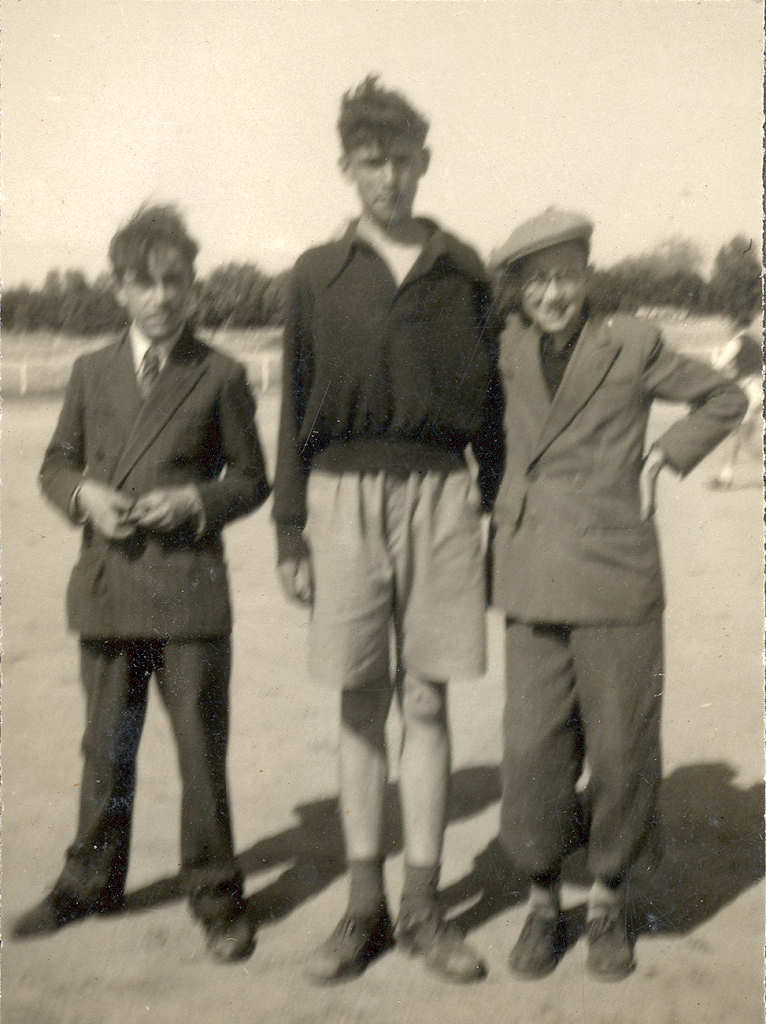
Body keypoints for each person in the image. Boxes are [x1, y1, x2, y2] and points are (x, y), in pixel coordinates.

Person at [273, 76, 502, 984]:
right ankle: (363, 908)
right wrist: (289, 529)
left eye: (404, 160)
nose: (390, 178)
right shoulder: (315, 273)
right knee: (360, 701)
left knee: (429, 702)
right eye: (373, 162)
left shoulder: (464, 268)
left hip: (442, 494)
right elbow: (292, 404)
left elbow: (492, 408)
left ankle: (423, 907)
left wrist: (498, 505)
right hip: (341, 497)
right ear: (347, 168)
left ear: (425, 161)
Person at [487, 208, 746, 981]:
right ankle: (542, 901)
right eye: (538, 281)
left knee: (621, 744)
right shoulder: (502, 347)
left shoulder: (631, 342)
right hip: (533, 565)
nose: (553, 294)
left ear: (588, 275)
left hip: (615, 567)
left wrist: (664, 456)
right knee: (531, 746)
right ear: (518, 290)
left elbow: (724, 397)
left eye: (566, 276)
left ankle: (606, 899)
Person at [13, 204, 271, 962]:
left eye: (174, 281)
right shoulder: (89, 371)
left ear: (193, 288)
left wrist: (195, 501)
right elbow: (55, 464)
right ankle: (89, 881)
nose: (160, 297)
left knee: (200, 755)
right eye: (144, 283)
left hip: (190, 590)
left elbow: (251, 478)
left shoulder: (220, 373)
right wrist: (81, 496)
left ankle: (217, 896)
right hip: (109, 585)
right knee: (105, 747)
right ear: (118, 289)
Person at [707, 312, 762, 489]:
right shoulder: (755, 342)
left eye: (729, 322)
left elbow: (718, 366)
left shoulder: (736, 342)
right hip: (756, 391)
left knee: (744, 438)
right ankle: (726, 477)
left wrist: (714, 354)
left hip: (748, 393)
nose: (727, 326)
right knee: (736, 435)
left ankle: (726, 478)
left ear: (734, 324)